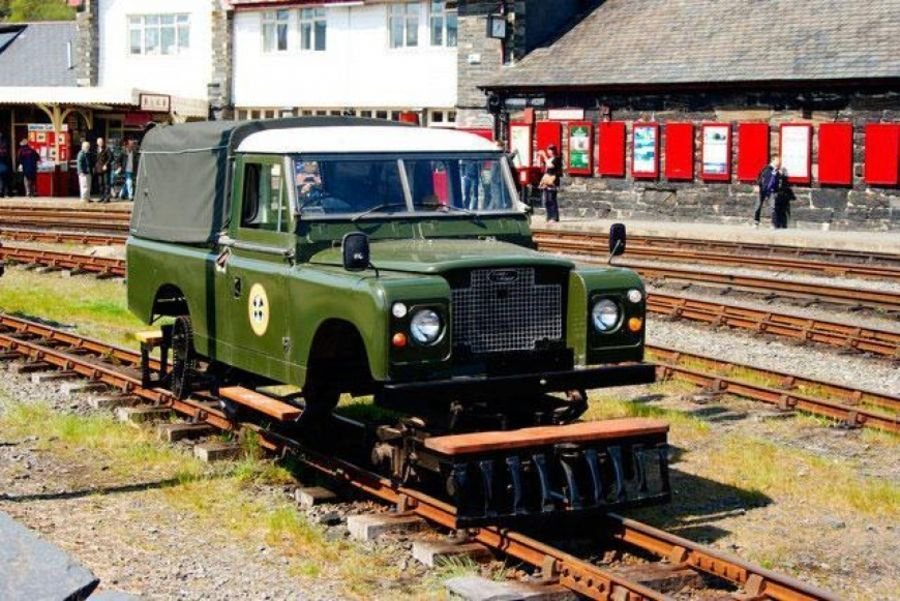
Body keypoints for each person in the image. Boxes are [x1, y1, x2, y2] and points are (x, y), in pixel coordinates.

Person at [537, 144, 562, 222]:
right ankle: (549, 216)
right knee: (547, 200)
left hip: (553, 180)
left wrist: (544, 156)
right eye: (548, 150)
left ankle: (554, 217)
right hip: (546, 180)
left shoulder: (557, 159)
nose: (549, 151)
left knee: (552, 199)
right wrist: (539, 157)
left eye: (551, 150)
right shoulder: (549, 159)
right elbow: (542, 166)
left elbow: (551, 166)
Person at [754, 158, 782, 227]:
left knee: (773, 207)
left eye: (779, 162)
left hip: (771, 191)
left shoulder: (777, 172)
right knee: (758, 206)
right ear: (773, 161)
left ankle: (773, 223)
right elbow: (759, 177)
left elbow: (777, 182)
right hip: (763, 189)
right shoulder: (766, 168)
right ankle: (756, 222)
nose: (778, 163)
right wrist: (758, 185)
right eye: (777, 161)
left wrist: (776, 189)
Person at [93, 136, 113, 202]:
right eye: (99, 142)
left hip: (106, 169)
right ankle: (102, 197)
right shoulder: (96, 149)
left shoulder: (107, 149)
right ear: (97, 143)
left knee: (106, 183)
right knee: (100, 183)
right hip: (99, 169)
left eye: (101, 142)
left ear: (103, 142)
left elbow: (110, 158)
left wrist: (106, 164)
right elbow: (95, 159)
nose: (100, 143)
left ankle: (107, 198)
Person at [0, 133, 11, 197]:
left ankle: (2, 192)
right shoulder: (5, 144)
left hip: (3, 168)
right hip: (5, 168)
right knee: (5, 180)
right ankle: (6, 192)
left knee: (2, 180)